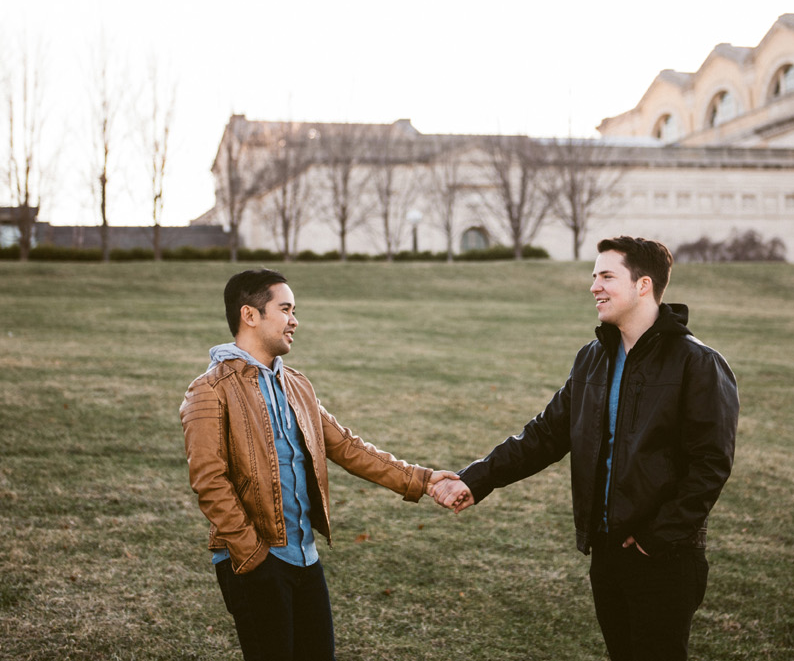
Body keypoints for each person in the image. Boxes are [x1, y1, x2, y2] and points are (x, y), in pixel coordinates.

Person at [432, 236, 739, 660]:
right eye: (594, 275)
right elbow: (543, 436)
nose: (594, 285)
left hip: (665, 555)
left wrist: (656, 537)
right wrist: (474, 479)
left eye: (607, 276)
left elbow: (711, 465)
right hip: (607, 551)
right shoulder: (592, 359)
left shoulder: (698, 363)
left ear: (643, 285)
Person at [180, 268, 460, 661]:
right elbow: (209, 481)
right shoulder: (209, 391)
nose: (295, 320)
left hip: (305, 560)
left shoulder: (296, 385)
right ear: (250, 315)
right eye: (286, 309)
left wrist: (423, 479)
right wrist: (253, 551)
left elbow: (347, 447)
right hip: (255, 561)